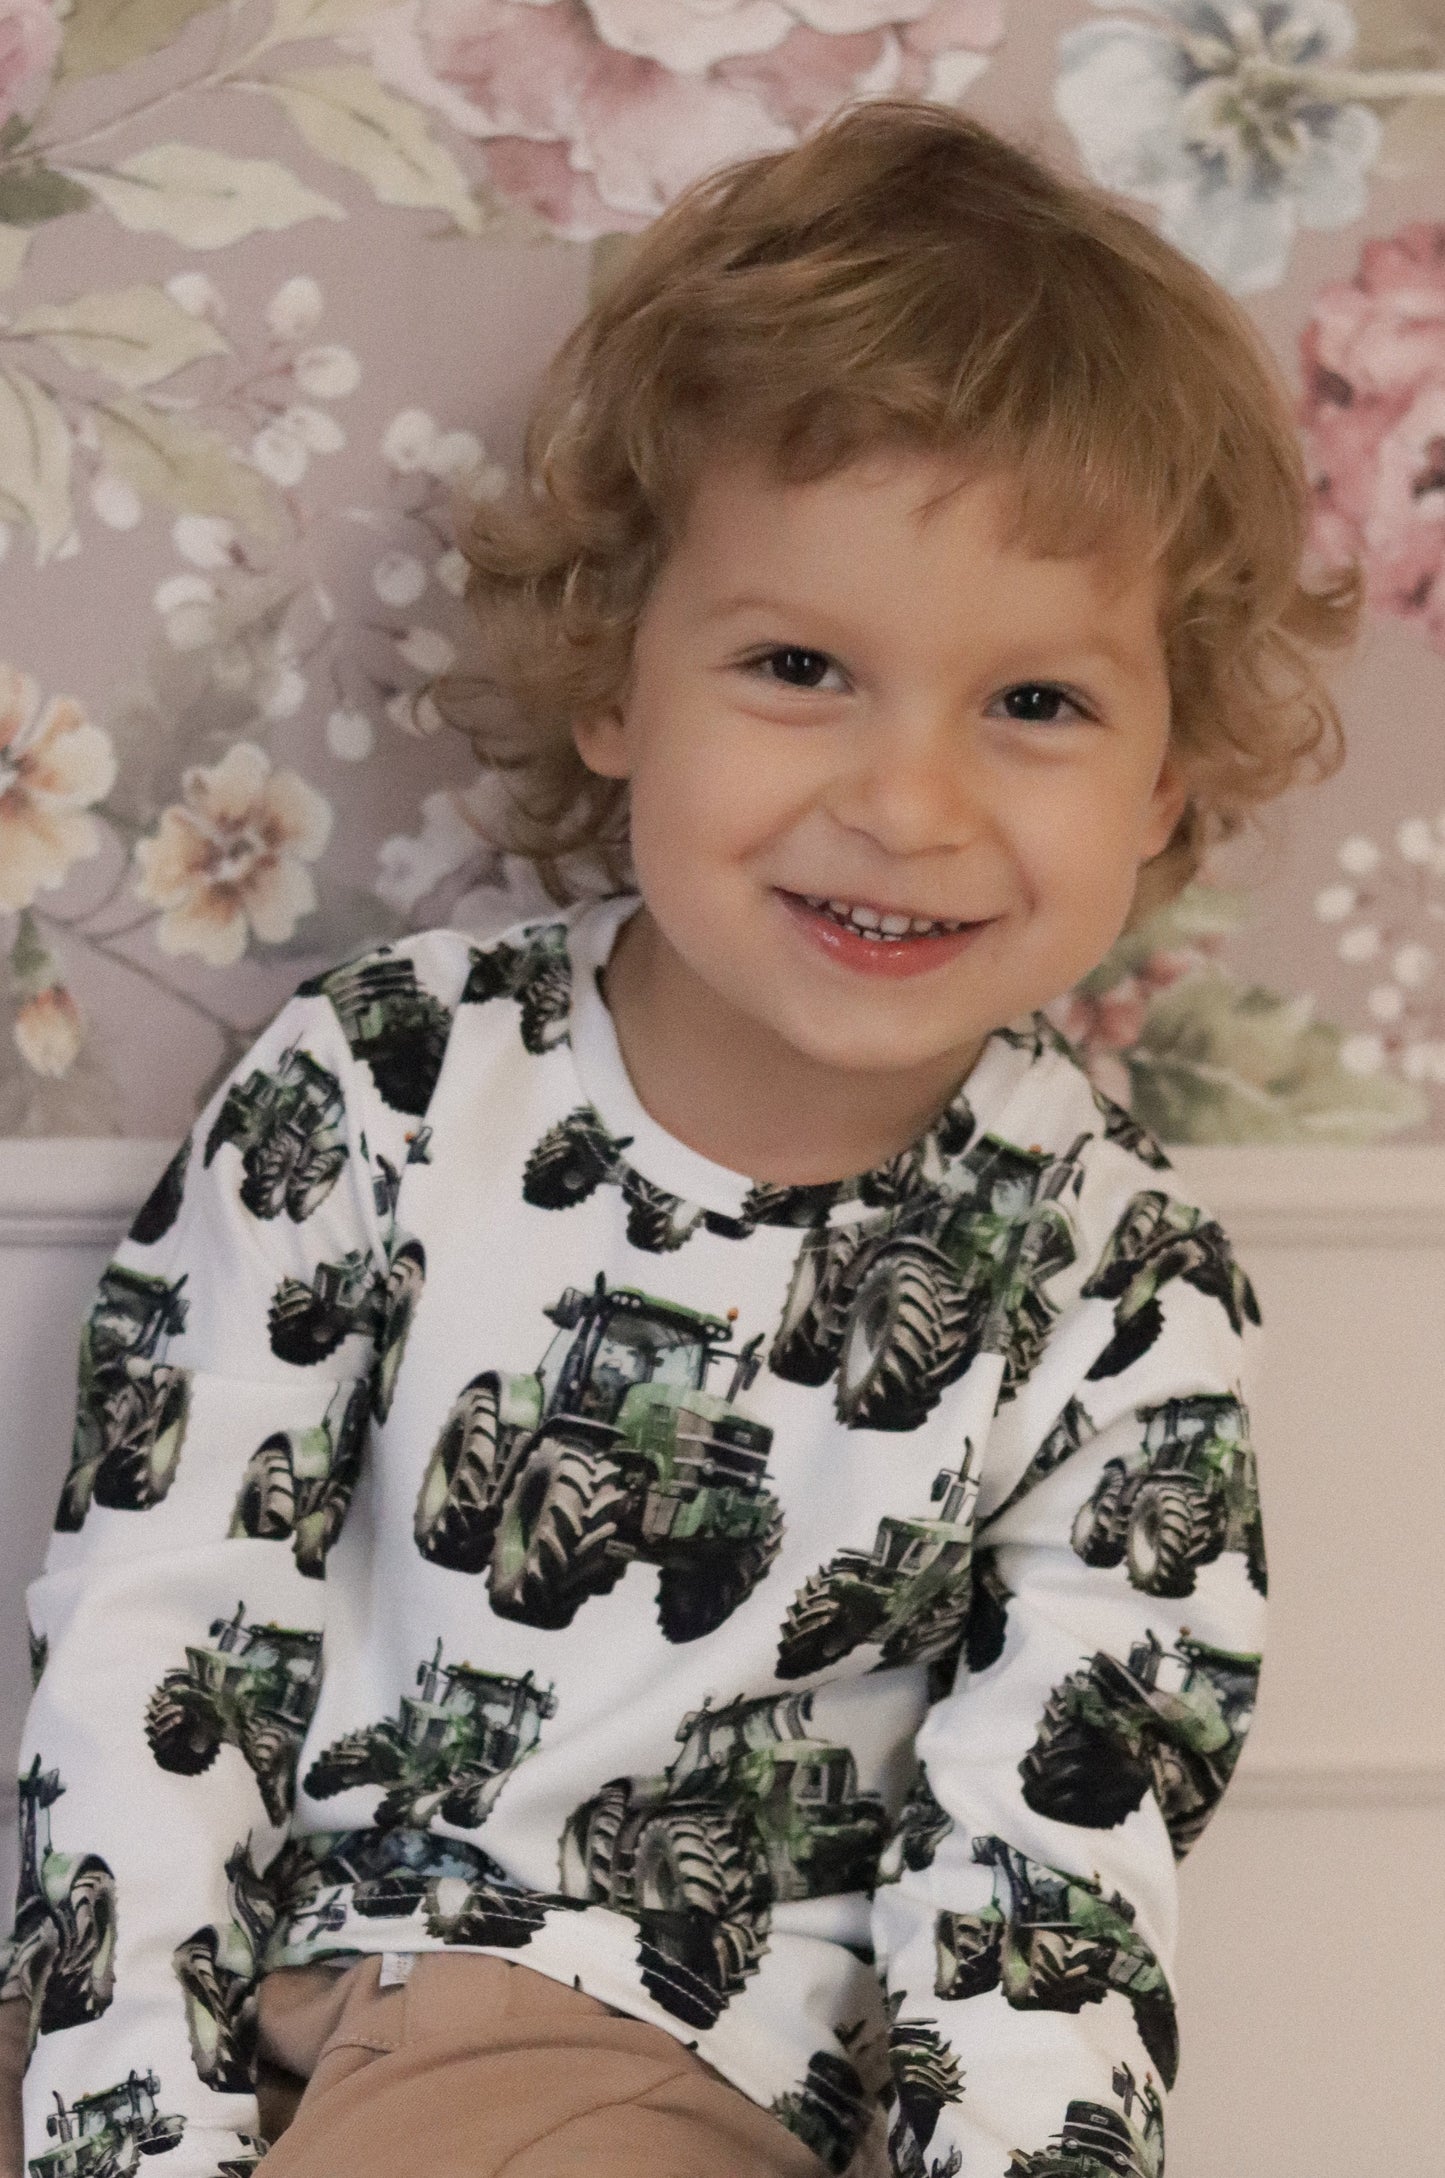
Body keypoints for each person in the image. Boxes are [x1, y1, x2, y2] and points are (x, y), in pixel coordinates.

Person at [0, 99, 1357, 2178]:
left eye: (1037, 706)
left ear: (1168, 778)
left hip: (642, 2049)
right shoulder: (370, 1091)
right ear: (622, 673)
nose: (908, 803)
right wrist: (127, 2129)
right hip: (203, 1989)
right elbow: (155, 1629)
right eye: (799, 665)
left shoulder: (1116, 1300)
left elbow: (1049, 1893)